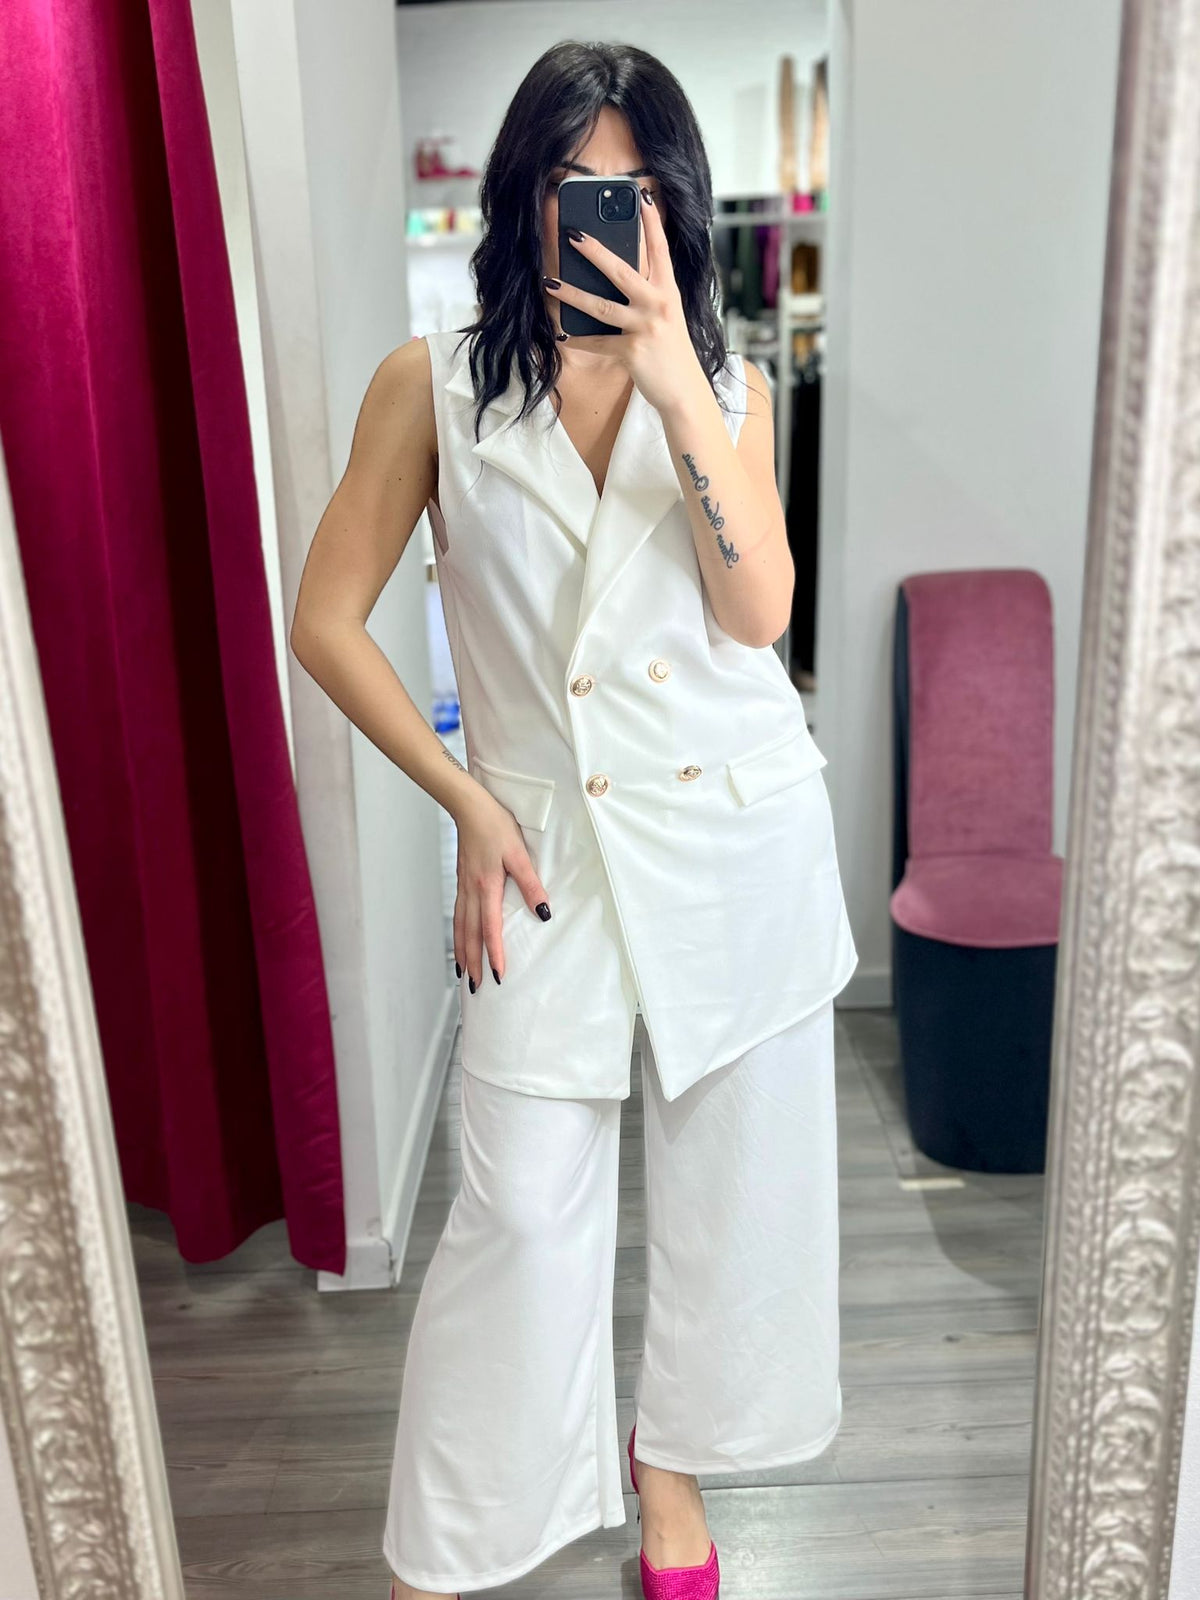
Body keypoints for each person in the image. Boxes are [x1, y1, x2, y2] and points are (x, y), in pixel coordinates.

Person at [290, 39, 858, 1600]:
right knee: (520, 1225)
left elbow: (760, 617)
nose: (595, 212)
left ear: (674, 206)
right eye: (565, 180)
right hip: (539, 858)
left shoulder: (726, 388)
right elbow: (325, 620)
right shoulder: (434, 386)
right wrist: (464, 797)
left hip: (735, 843)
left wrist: (676, 383)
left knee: (734, 1206)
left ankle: (669, 1477)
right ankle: (448, 1550)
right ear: (519, 197)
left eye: (629, 186)